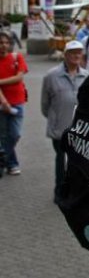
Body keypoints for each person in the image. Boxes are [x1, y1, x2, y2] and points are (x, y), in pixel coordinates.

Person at [40, 40, 88, 195]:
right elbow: (45, 104)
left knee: (77, 161)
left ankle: (75, 190)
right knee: (60, 159)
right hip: (59, 128)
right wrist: (55, 117)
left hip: (79, 130)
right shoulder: (51, 76)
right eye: (72, 52)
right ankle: (60, 189)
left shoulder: (87, 76)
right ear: (65, 55)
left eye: (79, 52)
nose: (76, 55)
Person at [0, 31, 27, 176]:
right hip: (1, 104)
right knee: (4, 135)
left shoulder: (17, 57)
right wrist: (3, 101)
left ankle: (2, 158)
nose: (3, 46)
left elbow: (19, 78)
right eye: (1, 43)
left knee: (15, 134)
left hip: (18, 102)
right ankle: (12, 164)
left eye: (6, 43)